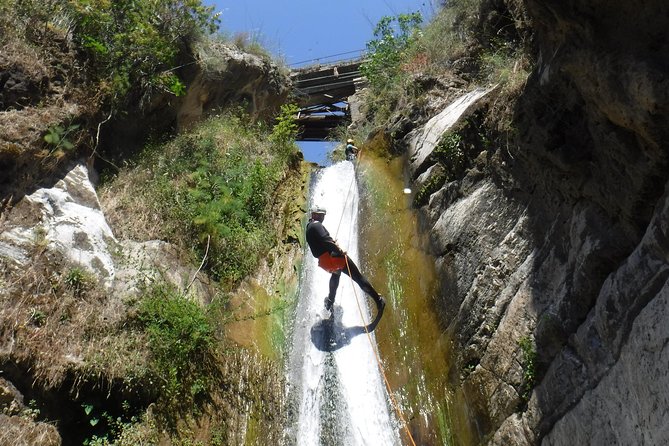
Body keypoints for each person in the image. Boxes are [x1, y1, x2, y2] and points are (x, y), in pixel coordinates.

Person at [306, 207, 385, 318]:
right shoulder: (316, 225)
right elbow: (326, 240)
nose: (323, 218)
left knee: (336, 275)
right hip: (334, 258)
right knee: (359, 278)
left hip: (325, 262)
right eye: (321, 215)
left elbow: (320, 244)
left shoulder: (309, 227)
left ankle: (330, 301)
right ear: (315, 215)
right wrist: (340, 251)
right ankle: (379, 300)